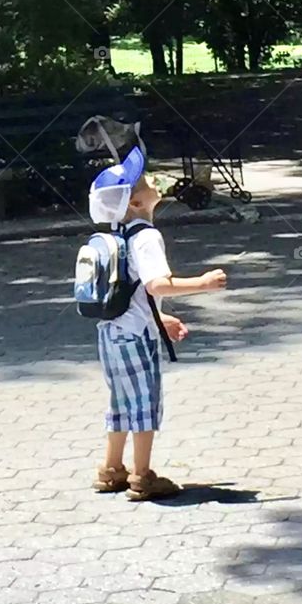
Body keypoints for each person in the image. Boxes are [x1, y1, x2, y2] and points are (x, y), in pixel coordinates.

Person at [89, 146, 227, 501]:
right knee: (145, 403)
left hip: (111, 331)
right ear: (135, 203)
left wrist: (159, 316)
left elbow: (129, 290)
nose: (152, 180)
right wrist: (203, 283)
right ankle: (143, 475)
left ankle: (111, 469)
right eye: (142, 180)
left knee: (121, 401)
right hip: (136, 337)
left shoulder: (117, 233)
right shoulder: (147, 235)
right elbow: (156, 284)